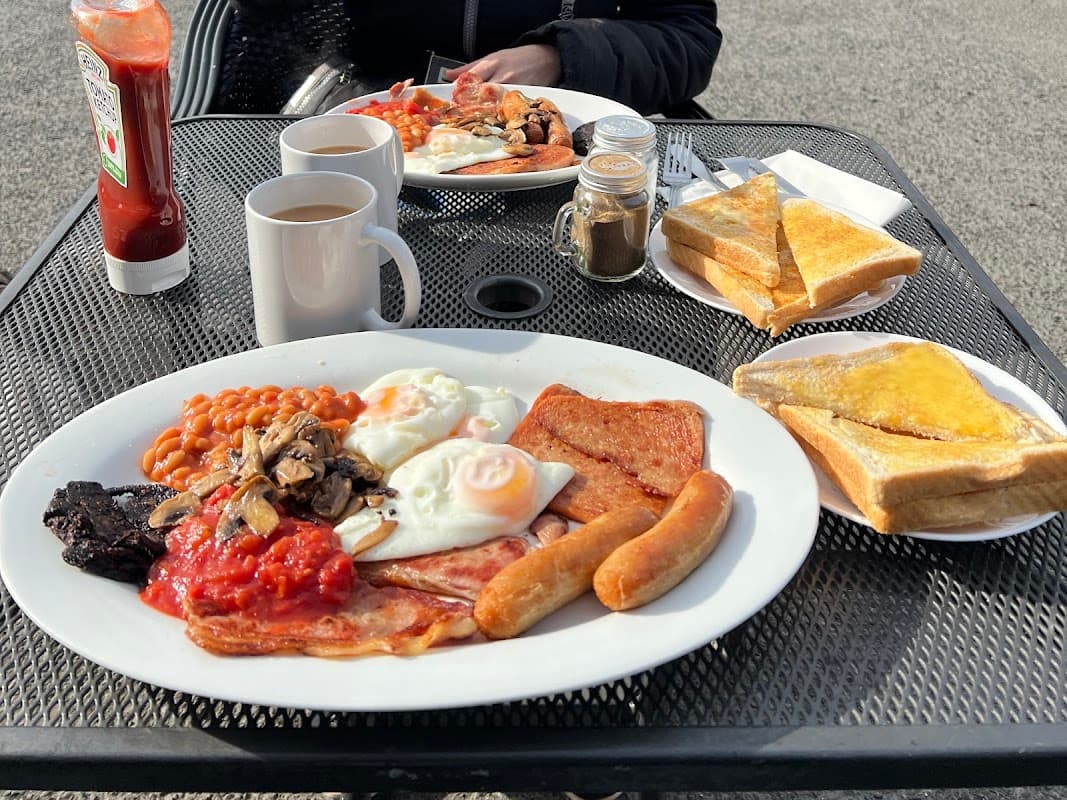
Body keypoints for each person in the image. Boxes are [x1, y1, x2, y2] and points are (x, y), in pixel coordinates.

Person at [225, 0, 722, 116]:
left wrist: (558, 56)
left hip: (573, 138)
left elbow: (687, 40)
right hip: (386, 131)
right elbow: (267, 18)